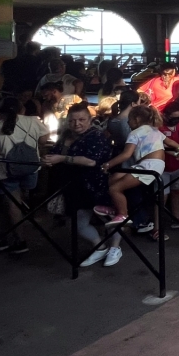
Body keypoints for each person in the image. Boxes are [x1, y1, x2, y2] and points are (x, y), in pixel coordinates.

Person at [41, 102, 120, 267]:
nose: (77, 124)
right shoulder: (65, 136)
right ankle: (100, 246)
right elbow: (56, 152)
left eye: (81, 120)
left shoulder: (96, 137)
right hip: (74, 186)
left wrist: (62, 159)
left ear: (90, 120)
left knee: (110, 219)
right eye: (72, 120)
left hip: (97, 185)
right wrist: (49, 159)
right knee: (79, 223)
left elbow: (91, 162)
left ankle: (115, 248)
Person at [0, 97, 51, 254]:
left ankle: (19, 240)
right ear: (22, 109)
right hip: (31, 170)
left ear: (1, 110)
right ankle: (10, 234)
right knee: (19, 203)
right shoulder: (34, 121)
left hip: (6, 172)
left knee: (12, 204)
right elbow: (44, 140)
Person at [99, 105, 165, 230]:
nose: (128, 122)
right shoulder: (154, 130)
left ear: (137, 119)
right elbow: (169, 142)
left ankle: (123, 214)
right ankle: (116, 207)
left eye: (129, 119)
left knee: (115, 188)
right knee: (114, 178)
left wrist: (108, 164)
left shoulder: (134, 133)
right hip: (154, 165)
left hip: (147, 166)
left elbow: (126, 154)